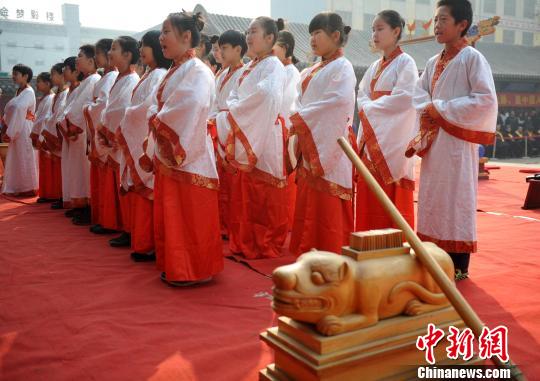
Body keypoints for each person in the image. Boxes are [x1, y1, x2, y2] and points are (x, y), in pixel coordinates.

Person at [405, 0, 498, 280]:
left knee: (456, 199)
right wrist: (433, 108)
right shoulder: (433, 62)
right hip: (436, 143)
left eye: (443, 19)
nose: (436, 26)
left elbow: (485, 100)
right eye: (435, 20)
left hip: (457, 143)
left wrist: (441, 108)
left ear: (462, 25)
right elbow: (418, 93)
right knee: (433, 199)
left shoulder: (472, 58)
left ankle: (458, 264)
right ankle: (433, 257)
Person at [143, 11, 223, 286]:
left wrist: (158, 117)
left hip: (192, 154)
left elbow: (191, 106)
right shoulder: (179, 70)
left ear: (186, 36)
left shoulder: (198, 70)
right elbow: (160, 105)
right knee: (176, 214)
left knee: (188, 215)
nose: (161, 38)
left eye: (166, 32)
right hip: (177, 150)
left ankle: (194, 269)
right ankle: (178, 265)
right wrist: (158, 114)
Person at [216, 17, 288, 259]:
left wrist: (236, 110)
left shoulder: (274, 65)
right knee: (246, 191)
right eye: (247, 31)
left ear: (270, 38)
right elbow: (233, 98)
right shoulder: (249, 67)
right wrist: (237, 110)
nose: (248, 36)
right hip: (247, 128)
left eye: (254, 32)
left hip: (265, 132)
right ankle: (244, 239)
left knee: (263, 192)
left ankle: (264, 242)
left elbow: (266, 96)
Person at [288, 12, 355, 257]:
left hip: (331, 145)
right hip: (311, 141)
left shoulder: (343, 67)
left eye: (318, 33)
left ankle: (331, 257)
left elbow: (336, 103)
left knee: (327, 208)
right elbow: (297, 101)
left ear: (335, 36)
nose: (313, 39)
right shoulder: (311, 70)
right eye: (311, 34)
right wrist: (299, 116)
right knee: (309, 203)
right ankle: (307, 255)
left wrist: (301, 118)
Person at [355, 10, 417, 231]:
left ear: (396, 31)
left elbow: (404, 99)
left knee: (390, 204)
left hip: (392, 143)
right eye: (373, 29)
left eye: (380, 29)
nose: (374, 34)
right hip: (371, 140)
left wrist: (369, 108)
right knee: (368, 197)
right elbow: (361, 94)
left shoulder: (405, 63)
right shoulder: (374, 66)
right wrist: (367, 107)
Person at [117, 30, 170, 262]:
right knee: (140, 191)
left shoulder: (159, 74)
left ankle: (147, 243)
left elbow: (148, 106)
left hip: (144, 137)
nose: (141, 50)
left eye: (145, 45)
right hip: (137, 134)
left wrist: (127, 115)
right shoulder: (149, 74)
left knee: (148, 192)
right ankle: (138, 238)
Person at [97, 36, 140, 247]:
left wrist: (104, 122)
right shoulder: (120, 78)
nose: (109, 53)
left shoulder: (131, 80)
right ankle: (120, 224)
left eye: (114, 49)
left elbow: (121, 109)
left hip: (122, 138)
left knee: (125, 183)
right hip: (114, 135)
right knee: (118, 183)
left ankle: (128, 227)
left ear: (127, 55)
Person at [209, 29, 247, 247]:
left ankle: (233, 226)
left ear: (238, 50)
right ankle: (221, 224)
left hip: (231, 129)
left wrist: (221, 120)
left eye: (224, 48)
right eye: (219, 48)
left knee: (233, 185)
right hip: (217, 126)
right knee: (220, 182)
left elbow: (239, 105)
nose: (220, 52)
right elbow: (214, 102)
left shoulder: (245, 74)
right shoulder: (222, 75)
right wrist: (213, 120)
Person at [60, 47, 100, 224]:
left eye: (80, 56)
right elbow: (72, 108)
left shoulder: (93, 80)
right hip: (77, 130)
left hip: (82, 131)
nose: (77, 60)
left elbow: (80, 107)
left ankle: (86, 206)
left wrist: (69, 121)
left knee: (83, 171)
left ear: (91, 61)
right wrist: (66, 120)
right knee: (77, 171)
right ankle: (80, 204)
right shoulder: (86, 81)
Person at [84, 39, 119, 233]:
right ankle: (103, 216)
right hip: (101, 129)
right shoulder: (108, 77)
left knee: (108, 179)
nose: (96, 57)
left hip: (106, 130)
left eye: (98, 53)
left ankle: (110, 219)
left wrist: (87, 109)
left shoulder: (112, 77)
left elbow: (105, 105)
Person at [273, 26, 301, 231]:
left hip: (282, 127)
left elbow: (286, 103)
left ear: (284, 48)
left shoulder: (291, 71)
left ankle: (287, 219)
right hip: (273, 126)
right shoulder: (277, 69)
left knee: (285, 175)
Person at [0, 64, 37, 196]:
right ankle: (17, 186)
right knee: (17, 156)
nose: (13, 76)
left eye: (16, 74)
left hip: (24, 126)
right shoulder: (19, 91)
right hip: (16, 126)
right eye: (13, 73)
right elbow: (12, 110)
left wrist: (10, 130)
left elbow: (18, 109)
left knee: (24, 155)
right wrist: (8, 127)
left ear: (25, 76)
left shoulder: (29, 92)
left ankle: (28, 188)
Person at [42, 63, 69, 208]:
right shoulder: (58, 94)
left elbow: (59, 114)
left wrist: (49, 126)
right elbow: (51, 114)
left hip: (58, 132)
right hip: (54, 129)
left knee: (62, 168)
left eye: (53, 74)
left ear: (61, 75)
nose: (51, 77)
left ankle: (63, 195)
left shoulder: (65, 93)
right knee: (59, 168)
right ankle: (60, 195)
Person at [30, 72, 55, 203]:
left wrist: (39, 133)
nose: (37, 84)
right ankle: (45, 192)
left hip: (45, 135)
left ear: (47, 83)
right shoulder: (44, 98)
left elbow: (46, 119)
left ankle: (50, 194)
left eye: (39, 81)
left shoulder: (51, 98)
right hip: (41, 134)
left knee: (49, 166)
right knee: (43, 166)